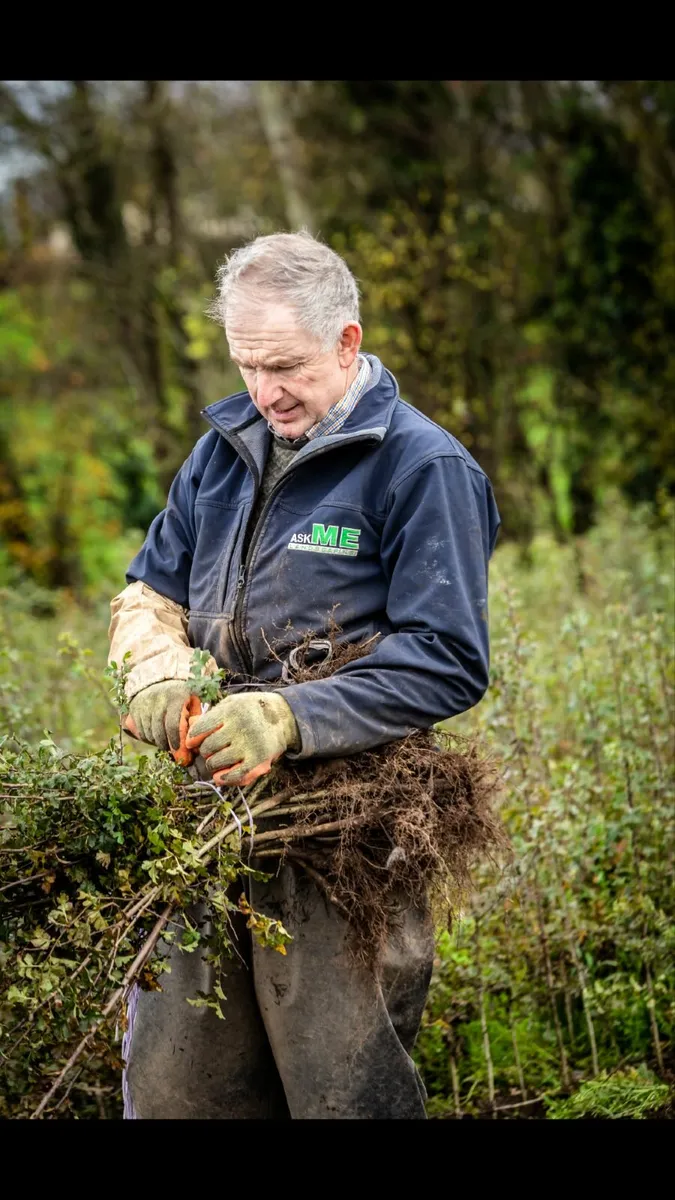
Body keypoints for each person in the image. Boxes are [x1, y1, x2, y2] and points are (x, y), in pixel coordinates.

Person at [109, 230, 500, 1119]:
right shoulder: (222, 451)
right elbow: (148, 593)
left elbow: (447, 659)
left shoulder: (422, 466)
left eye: (284, 365)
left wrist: (288, 718)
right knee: (176, 1088)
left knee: (338, 1091)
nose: (263, 390)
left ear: (347, 342)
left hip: (344, 829)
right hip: (208, 820)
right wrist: (156, 674)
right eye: (246, 364)